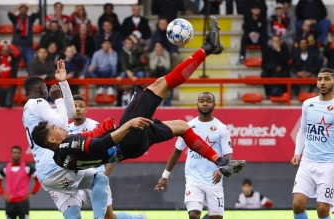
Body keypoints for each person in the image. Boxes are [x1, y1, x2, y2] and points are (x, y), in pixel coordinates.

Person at [31, 17, 246, 179]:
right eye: (55, 129)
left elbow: (93, 149)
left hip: (131, 149)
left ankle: (220, 161)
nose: (60, 127)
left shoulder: (60, 158)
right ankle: (209, 47)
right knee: (160, 85)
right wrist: (128, 125)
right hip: (126, 136)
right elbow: (99, 144)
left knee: (182, 126)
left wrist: (62, 82)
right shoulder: (66, 145)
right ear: (52, 139)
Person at [22, 60, 125, 219]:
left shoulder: (29, 111)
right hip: (57, 162)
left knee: (73, 217)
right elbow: (64, 121)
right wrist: (58, 97)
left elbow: (66, 113)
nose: (47, 89)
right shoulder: (37, 102)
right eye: (44, 86)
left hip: (47, 174)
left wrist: (64, 84)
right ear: (39, 89)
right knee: (100, 178)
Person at [68, 95, 154, 219]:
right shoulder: (66, 129)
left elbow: (112, 151)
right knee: (72, 215)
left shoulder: (95, 126)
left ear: (86, 109)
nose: (77, 109)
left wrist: (104, 175)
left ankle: (139, 218)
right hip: (75, 179)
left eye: (80, 106)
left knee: (110, 218)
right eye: (74, 106)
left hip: (95, 177)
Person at [154, 92, 233, 219]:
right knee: (193, 215)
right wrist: (164, 177)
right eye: (201, 101)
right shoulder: (188, 127)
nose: (205, 104)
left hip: (213, 180)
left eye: (208, 101)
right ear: (197, 104)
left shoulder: (221, 128)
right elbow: (176, 152)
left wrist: (221, 169)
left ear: (214, 104)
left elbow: (227, 153)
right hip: (193, 179)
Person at [291, 68, 334, 219]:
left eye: (327, 79)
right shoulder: (308, 104)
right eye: (320, 79)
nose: (322, 82)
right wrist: (297, 152)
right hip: (308, 162)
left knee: (322, 208)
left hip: (329, 164)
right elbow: (302, 131)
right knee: (298, 203)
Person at [8, 3, 39, 75]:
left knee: (31, 68)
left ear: (27, 10)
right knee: (14, 68)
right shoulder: (15, 19)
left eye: (25, 9)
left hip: (27, 47)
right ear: (19, 10)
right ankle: (13, 85)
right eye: (21, 8)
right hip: (16, 46)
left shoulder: (30, 19)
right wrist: (18, 6)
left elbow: (36, 12)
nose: (23, 10)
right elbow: (10, 13)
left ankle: (32, 84)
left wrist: (28, 5)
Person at [0, 40, 20, 108]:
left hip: (10, 85)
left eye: (7, 47)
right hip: (0, 85)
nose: (5, 48)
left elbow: (17, 53)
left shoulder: (12, 57)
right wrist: (0, 45)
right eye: (4, 47)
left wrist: (10, 45)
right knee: (2, 105)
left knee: (8, 104)